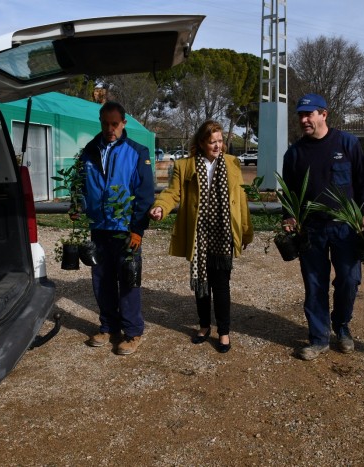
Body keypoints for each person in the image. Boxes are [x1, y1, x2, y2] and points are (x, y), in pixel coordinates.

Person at [282, 93, 364, 361]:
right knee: (314, 285)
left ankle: (342, 326)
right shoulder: (295, 153)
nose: (304, 119)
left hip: (346, 227)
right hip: (311, 230)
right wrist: (290, 216)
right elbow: (288, 192)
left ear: (324, 114)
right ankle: (319, 337)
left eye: (309, 114)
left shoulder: (347, 143)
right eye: (301, 114)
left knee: (349, 280)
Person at [149, 120, 253, 353]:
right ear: (201, 143)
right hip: (199, 234)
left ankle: (223, 331)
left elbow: (241, 201)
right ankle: (204, 326)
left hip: (224, 232)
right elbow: (172, 193)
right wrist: (161, 208)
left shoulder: (232, 163)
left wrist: (245, 231)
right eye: (212, 142)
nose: (218, 146)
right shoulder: (186, 166)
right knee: (201, 284)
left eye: (220, 141)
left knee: (222, 285)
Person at [78, 101, 154, 355]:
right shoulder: (89, 150)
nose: (110, 129)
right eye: (105, 124)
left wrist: (137, 230)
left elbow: (144, 196)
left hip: (125, 229)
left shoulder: (137, 151)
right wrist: (78, 205)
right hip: (99, 228)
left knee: (129, 279)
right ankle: (108, 326)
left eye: (114, 124)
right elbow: (79, 184)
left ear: (124, 123)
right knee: (102, 280)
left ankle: (133, 332)